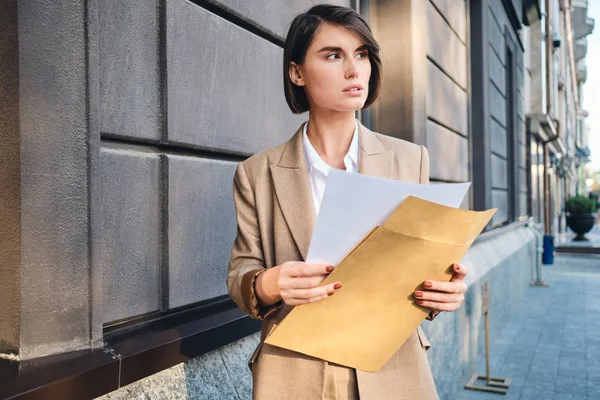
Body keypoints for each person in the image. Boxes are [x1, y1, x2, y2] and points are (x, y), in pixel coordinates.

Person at [227, 5, 468, 400]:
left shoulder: (410, 159)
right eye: (333, 55)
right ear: (297, 72)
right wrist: (269, 283)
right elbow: (242, 272)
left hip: (391, 368)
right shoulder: (257, 172)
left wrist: (444, 292)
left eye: (362, 54)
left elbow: (424, 264)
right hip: (294, 370)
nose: (354, 70)